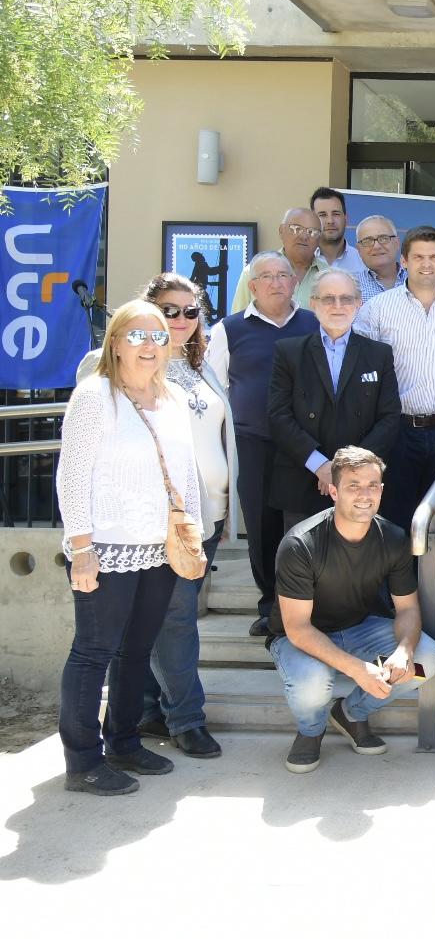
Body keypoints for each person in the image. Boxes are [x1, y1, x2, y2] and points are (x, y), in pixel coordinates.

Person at [57, 300, 204, 795]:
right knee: (93, 651)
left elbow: (184, 475)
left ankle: (123, 741)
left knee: (137, 650)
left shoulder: (174, 399)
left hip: (160, 547)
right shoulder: (95, 396)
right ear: (115, 343)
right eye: (137, 336)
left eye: (159, 337)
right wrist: (80, 546)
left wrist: (194, 535)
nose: (149, 346)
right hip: (106, 546)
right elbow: (71, 476)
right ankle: (83, 761)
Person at [269, 447, 435, 774]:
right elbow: (298, 629)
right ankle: (312, 730)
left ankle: (350, 713)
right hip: (300, 638)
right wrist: (357, 669)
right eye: (354, 486)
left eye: (373, 485)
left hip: (358, 627)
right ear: (334, 491)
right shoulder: (301, 544)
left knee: (427, 661)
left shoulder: (392, 537)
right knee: (313, 682)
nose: (365, 495)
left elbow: (407, 608)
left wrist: (404, 651)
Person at [134, 274, 234, 760]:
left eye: (190, 311)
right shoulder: (130, 366)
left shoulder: (201, 367)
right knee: (177, 618)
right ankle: (186, 718)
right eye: (168, 311)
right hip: (164, 518)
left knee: (165, 616)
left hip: (209, 514)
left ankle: (149, 708)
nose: (179, 320)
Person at [207, 251, 319, 634]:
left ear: (294, 282)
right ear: (252, 285)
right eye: (266, 276)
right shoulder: (230, 329)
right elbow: (214, 388)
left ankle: (305, 607)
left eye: (283, 275)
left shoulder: (314, 323)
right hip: (254, 442)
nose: (275, 283)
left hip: (305, 444)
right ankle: (270, 605)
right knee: (260, 524)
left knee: (302, 527)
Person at [354, 225, 435, 538]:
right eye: (419, 256)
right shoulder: (378, 309)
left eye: (434, 257)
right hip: (397, 429)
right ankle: (400, 587)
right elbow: (361, 371)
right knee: (395, 515)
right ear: (405, 261)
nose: (427, 263)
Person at [267, 270, 401, 531]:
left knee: (358, 566)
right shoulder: (289, 352)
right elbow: (278, 416)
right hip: (302, 479)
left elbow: (389, 417)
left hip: (361, 485)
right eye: (328, 299)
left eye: (346, 299)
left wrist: (349, 470)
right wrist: (321, 466)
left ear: (359, 303)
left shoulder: (379, 354)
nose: (338, 306)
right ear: (313, 303)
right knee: (302, 565)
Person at [231, 208, 331, 313]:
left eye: (312, 232)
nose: (304, 236)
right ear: (281, 231)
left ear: (319, 238)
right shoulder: (253, 273)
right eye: (296, 229)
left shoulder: (330, 276)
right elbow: (237, 321)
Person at [310, 187, 364, 275]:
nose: (330, 221)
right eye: (322, 215)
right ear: (312, 220)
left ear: (346, 219)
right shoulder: (303, 260)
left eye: (336, 214)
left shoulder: (362, 261)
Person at [354, 215, 404, 302]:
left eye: (384, 238)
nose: (376, 246)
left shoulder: (418, 280)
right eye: (367, 241)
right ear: (359, 250)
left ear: (397, 243)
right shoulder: (351, 287)